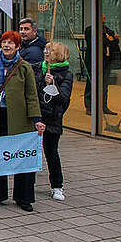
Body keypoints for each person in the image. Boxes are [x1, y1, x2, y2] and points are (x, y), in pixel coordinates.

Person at [0, 30, 44, 212]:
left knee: (21, 158)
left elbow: (31, 95)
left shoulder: (24, 66)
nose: (6, 46)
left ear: (17, 46)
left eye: (11, 43)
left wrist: (37, 119)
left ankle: (23, 197)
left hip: (20, 120)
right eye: (4, 42)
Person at [36, 42, 73, 201]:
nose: (46, 52)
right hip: (37, 117)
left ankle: (57, 186)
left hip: (52, 119)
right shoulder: (39, 68)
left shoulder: (66, 74)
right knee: (31, 152)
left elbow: (63, 99)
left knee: (51, 153)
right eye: (45, 50)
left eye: (50, 51)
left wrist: (53, 84)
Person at [84, 15, 121, 116]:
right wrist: (109, 40)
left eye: (104, 19)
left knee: (104, 85)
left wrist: (111, 39)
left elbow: (115, 41)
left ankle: (103, 106)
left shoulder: (107, 30)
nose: (104, 20)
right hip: (93, 60)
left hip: (106, 61)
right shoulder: (90, 30)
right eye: (102, 18)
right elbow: (97, 43)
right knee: (91, 83)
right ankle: (89, 106)